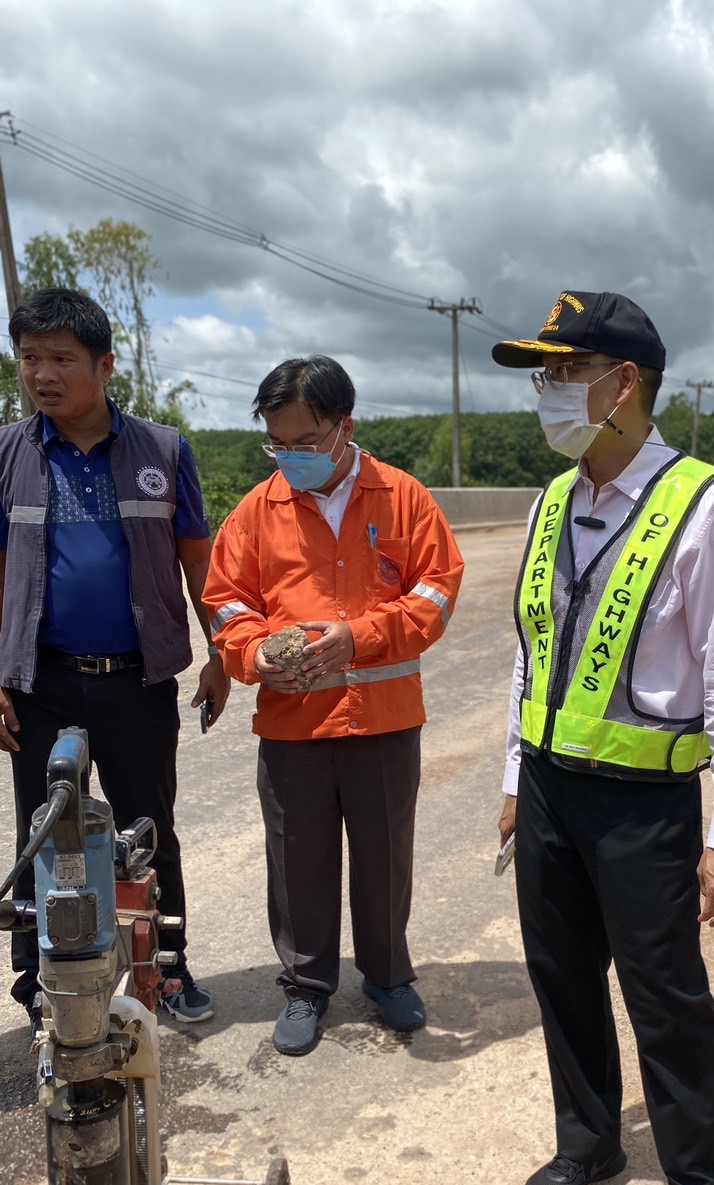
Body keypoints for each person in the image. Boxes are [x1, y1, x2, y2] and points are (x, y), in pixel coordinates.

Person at [492, 290, 714, 1185]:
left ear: (623, 383)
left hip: (643, 806)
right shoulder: (552, 501)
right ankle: (589, 1141)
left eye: (563, 373)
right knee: (560, 978)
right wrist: (513, 775)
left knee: (665, 999)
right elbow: (533, 652)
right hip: (550, 793)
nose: (547, 392)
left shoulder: (700, 504)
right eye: (543, 375)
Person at [204, 356, 463, 1056]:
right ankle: (306, 984)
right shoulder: (256, 512)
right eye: (276, 444)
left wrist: (361, 637)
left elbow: (437, 593)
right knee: (298, 861)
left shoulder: (403, 498)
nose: (291, 457)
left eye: (305, 442)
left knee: (384, 856)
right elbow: (226, 601)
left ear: (345, 427)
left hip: (383, 721)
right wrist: (252, 653)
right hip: (292, 727)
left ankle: (387, 975)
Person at [0, 288, 229, 1025]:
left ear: (104, 366)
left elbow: (198, 561)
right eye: (29, 358)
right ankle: (40, 983)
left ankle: (167, 967)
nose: (42, 374)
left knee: (147, 827)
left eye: (61, 358)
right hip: (39, 683)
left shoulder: (164, 451)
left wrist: (219, 649)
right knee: (44, 833)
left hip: (137, 681)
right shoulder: (7, 452)